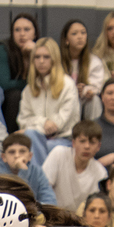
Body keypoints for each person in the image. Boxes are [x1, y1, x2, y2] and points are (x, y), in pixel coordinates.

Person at [17, 37, 80, 165]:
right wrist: (43, 122)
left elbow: (59, 124)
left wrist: (39, 126)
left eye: (46, 57)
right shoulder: (28, 89)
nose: (41, 61)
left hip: (63, 140)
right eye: (37, 57)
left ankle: (38, 177)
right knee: (24, 142)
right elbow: (23, 121)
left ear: (54, 59)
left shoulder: (67, 85)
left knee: (41, 146)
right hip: (36, 138)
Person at [0, 13, 40, 131]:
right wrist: (31, 84)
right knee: (15, 95)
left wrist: (35, 54)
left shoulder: (41, 49)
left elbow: (48, 80)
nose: (22, 34)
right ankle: (11, 136)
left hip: (33, 93)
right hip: (6, 97)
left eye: (26, 29)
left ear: (35, 33)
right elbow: (5, 84)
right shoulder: (3, 48)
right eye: (17, 30)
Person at [42, 120, 107, 212]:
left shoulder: (101, 173)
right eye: (82, 141)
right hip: (52, 213)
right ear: (73, 143)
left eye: (92, 142)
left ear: (98, 146)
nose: (87, 146)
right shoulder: (59, 154)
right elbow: (43, 188)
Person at [0, 132, 57, 205]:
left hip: (33, 211)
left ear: (30, 156)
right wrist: (23, 171)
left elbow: (50, 201)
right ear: (4, 157)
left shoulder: (37, 171)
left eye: (22, 151)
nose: (17, 156)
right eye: (12, 152)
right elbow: (16, 202)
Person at [60, 18, 107, 120]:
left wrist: (86, 90)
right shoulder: (58, 61)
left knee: (94, 100)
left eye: (83, 33)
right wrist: (72, 90)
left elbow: (97, 87)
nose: (80, 37)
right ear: (66, 40)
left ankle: (94, 128)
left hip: (85, 102)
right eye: (74, 34)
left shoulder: (94, 61)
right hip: (63, 102)